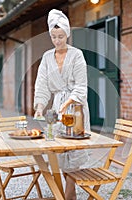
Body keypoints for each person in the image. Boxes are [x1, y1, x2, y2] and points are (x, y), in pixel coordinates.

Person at [33, 8, 90, 200]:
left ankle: (69, 191)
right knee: (57, 147)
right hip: (57, 106)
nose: (57, 41)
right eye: (54, 37)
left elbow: (81, 87)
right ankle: (62, 191)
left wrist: (66, 106)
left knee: (73, 147)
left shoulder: (77, 55)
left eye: (61, 36)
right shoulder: (47, 57)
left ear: (67, 34)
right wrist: (40, 106)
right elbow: (41, 84)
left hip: (75, 107)